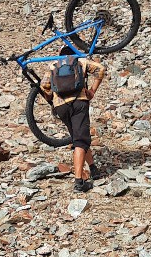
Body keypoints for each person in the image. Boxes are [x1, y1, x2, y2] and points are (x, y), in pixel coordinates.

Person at [40, 54, 105, 192]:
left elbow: (44, 85)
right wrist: (92, 91)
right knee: (81, 140)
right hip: (79, 102)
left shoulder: (53, 65)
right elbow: (100, 69)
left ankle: (93, 169)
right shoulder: (80, 61)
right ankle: (79, 182)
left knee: (78, 137)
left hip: (61, 107)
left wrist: (50, 98)